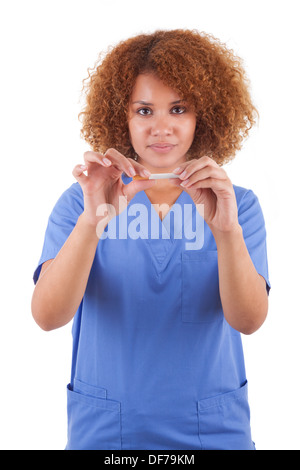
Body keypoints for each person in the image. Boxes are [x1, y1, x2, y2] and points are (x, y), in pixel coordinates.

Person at [31, 29, 271, 450]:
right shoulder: (83, 201)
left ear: (204, 116)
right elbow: (47, 317)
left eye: (178, 109)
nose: (162, 128)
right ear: (120, 116)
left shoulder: (237, 205)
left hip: (212, 433)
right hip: (108, 434)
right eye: (144, 110)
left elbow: (248, 321)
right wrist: (92, 222)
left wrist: (227, 232)